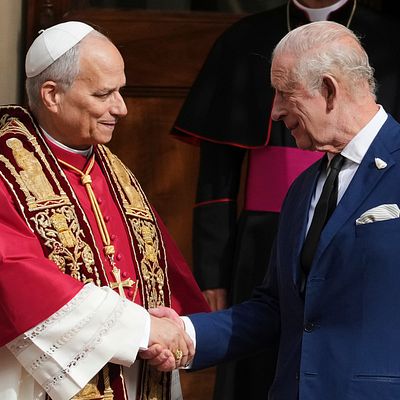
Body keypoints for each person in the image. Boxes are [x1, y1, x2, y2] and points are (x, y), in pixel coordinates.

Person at [148, 19, 400, 399]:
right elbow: (275, 307)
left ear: (329, 90)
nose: (275, 112)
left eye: (284, 93)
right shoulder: (302, 188)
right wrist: (188, 333)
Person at [0, 21, 209, 400]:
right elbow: (15, 273)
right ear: (51, 95)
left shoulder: (114, 172)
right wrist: (139, 329)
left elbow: (163, 276)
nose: (122, 108)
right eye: (103, 94)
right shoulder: (7, 166)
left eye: (120, 91)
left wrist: (168, 331)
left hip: (134, 374)